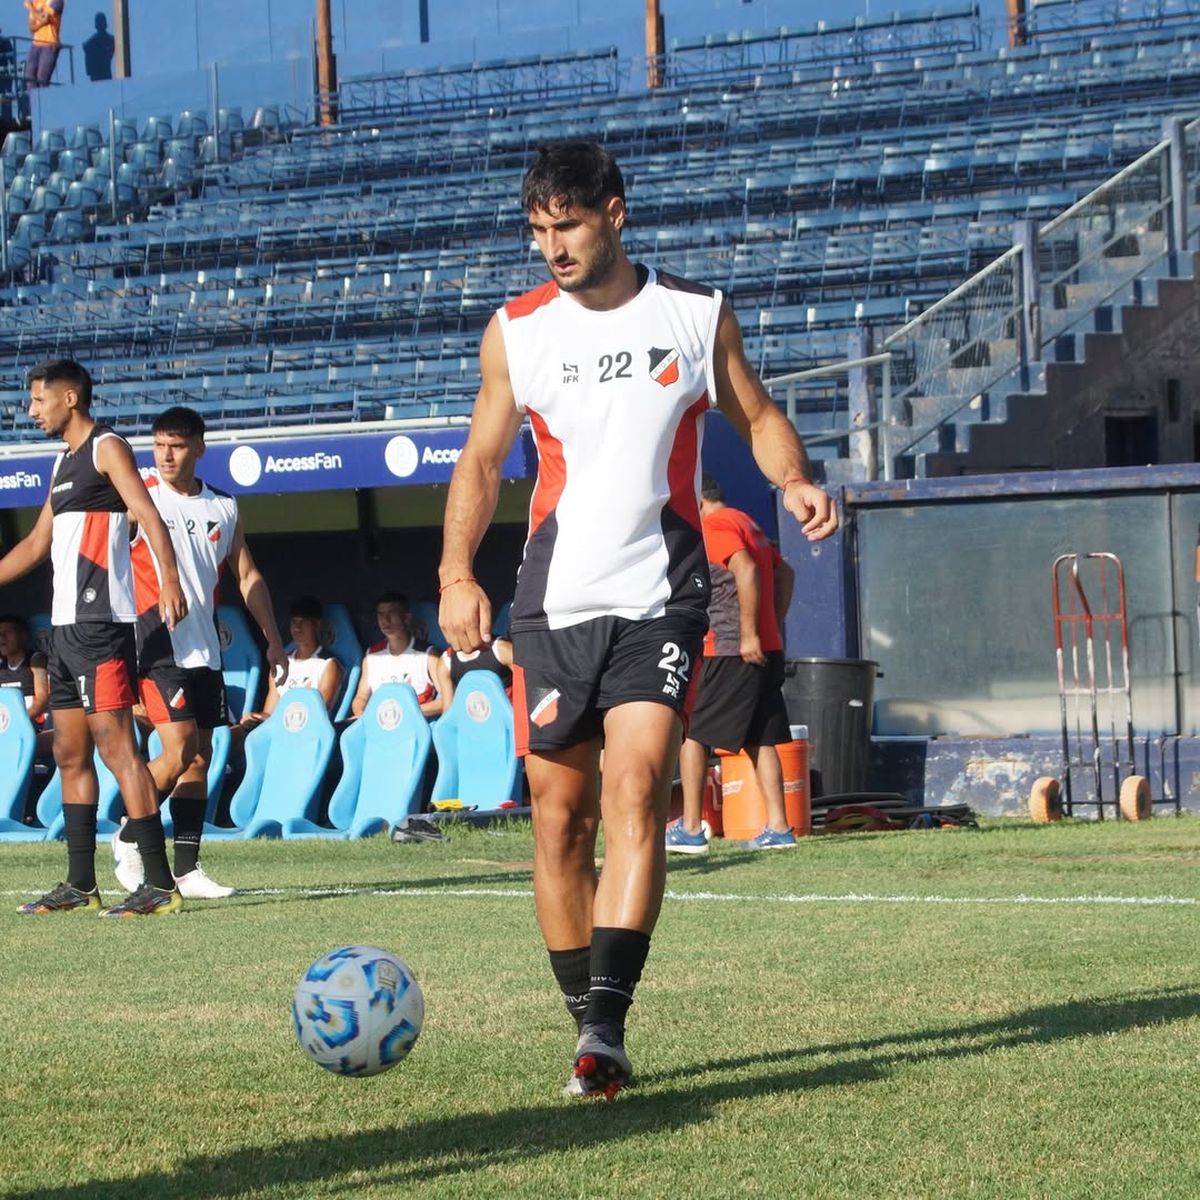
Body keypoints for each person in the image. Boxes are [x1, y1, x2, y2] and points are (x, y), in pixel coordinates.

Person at [438, 141, 838, 1098]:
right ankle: (585, 1014)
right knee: (556, 822)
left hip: (662, 592)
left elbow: (755, 412)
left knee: (634, 790)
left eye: (568, 226)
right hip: (552, 602)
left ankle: (604, 1032)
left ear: (615, 214)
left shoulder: (694, 316)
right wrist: (456, 572)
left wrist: (795, 476)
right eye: (537, 231)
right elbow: (483, 465)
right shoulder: (516, 331)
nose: (553, 249)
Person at [0, 358, 189, 916]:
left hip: (102, 625)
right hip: (61, 632)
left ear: (70, 399)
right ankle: (80, 884)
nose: (31, 410)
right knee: (68, 751)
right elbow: (36, 545)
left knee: (117, 747)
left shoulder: (108, 447)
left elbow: (149, 515)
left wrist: (171, 580)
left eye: (38, 400)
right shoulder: (61, 461)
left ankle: (159, 883)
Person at [111, 406, 288, 899]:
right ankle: (131, 832)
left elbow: (248, 576)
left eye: (177, 445)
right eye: (160, 444)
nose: (166, 455)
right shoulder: (137, 494)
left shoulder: (224, 507)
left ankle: (186, 870)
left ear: (199, 449)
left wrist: (273, 638)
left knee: (201, 758)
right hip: (155, 641)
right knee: (180, 746)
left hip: (204, 646)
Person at [667, 476, 796, 855]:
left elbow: (745, 569)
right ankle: (779, 827)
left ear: (697, 498)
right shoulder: (746, 521)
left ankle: (690, 829)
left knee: (692, 734)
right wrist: (771, 625)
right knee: (762, 738)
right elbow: (784, 573)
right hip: (763, 649)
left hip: (729, 649)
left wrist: (749, 633)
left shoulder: (714, 525)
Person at [231, 594, 343, 738]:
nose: (297, 628)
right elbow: (269, 712)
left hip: (307, 733)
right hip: (277, 729)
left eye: (304, 622)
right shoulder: (280, 663)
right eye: (294, 622)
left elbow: (320, 710)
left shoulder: (329, 665)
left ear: (316, 625)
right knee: (231, 735)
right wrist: (255, 717)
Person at [349, 591, 448, 719]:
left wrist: (402, 712)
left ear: (406, 617)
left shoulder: (429, 655)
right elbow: (361, 698)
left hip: (416, 728)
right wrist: (363, 714)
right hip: (379, 725)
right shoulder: (371, 656)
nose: (386, 620)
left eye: (392, 613)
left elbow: (446, 701)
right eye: (381, 614)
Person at [0, 612, 49, 725]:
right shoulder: (1, 667)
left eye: (7, 632)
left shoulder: (36, 660)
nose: (2, 638)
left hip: (35, 726)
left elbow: (42, 699)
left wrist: (19, 721)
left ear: (22, 636)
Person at [442, 634, 514, 704]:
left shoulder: (501, 649)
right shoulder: (446, 662)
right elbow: (448, 709)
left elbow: (524, 687)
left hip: (512, 712)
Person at [23, 0, 62, 89]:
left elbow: (45, 19)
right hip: (35, 44)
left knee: (42, 79)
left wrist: (30, 8)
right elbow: (31, 28)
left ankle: (44, 101)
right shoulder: (36, 2)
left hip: (50, 44)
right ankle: (34, 101)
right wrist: (41, 21)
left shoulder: (56, 1)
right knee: (30, 76)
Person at [82, 10, 113, 81]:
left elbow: (88, 70)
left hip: (102, 78)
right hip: (99, 78)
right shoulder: (90, 43)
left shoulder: (90, 43)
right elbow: (89, 70)